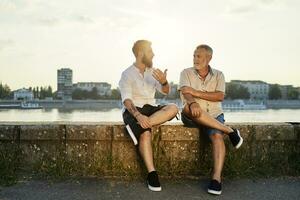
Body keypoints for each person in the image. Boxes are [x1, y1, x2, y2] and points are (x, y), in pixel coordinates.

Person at [179, 44, 243, 195]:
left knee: (216, 135)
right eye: (194, 55)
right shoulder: (185, 72)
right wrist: (193, 101)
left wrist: (196, 92)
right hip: (191, 113)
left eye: (199, 56)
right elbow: (185, 93)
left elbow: (219, 96)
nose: (195, 59)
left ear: (208, 58)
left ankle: (216, 179)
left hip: (214, 114)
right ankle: (230, 131)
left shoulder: (219, 75)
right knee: (188, 108)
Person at [118, 40, 178, 192]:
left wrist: (164, 82)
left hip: (151, 108)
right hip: (134, 110)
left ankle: (136, 127)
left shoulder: (153, 72)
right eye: (150, 51)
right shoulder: (126, 74)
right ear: (141, 53)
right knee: (145, 134)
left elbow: (165, 91)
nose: (153, 54)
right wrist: (137, 115)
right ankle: (152, 174)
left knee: (173, 108)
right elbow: (126, 100)